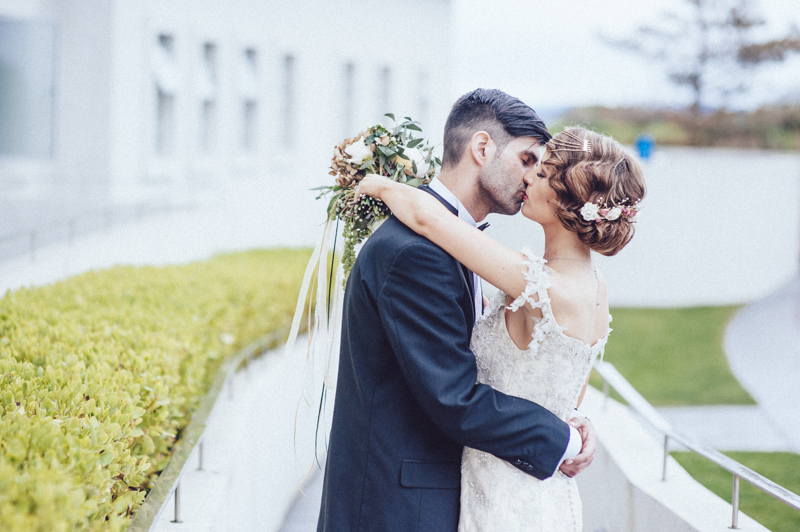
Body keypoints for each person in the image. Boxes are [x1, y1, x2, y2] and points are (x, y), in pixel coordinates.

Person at [317, 89, 597, 532]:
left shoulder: (454, 245)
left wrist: (563, 416)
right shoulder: (417, 253)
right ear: (482, 148)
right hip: (399, 509)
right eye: (527, 160)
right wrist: (559, 439)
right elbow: (455, 398)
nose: (532, 178)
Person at [355, 125, 646, 531]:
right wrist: (576, 431)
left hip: (507, 499)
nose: (528, 177)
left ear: (568, 202)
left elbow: (425, 217)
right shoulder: (594, 286)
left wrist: (376, 184)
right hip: (543, 494)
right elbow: (568, 399)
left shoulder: (539, 284)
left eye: (542, 174)